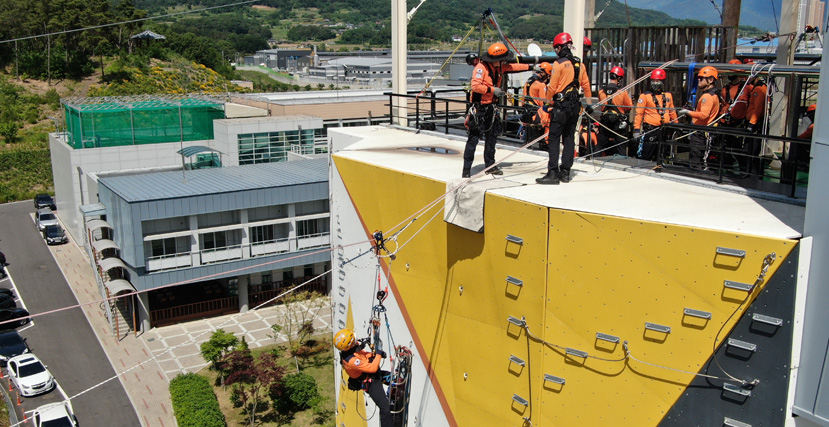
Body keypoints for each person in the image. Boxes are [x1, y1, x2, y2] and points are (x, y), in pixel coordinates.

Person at [462, 42, 530, 178]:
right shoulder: (481, 68)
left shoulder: (499, 68)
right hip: (479, 109)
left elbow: (514, 67)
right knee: (473, 139)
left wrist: (532, 66)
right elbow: (475, 86)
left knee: (491, 139)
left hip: (491, 109)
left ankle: (490, 165)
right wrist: (493, 90)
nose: (504, 62)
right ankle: (466, 169)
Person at [536, 32, 592, 185]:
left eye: (556, 48)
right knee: (568, 138)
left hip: (561, 106)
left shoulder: (559, 64)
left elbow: (552, 87)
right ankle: (565, 172)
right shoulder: (580, 64)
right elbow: (586, 86)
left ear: (560, 47)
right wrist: (589, 104)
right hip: (575, 106)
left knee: (554, 138)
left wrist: (546, 104)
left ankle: (553, 172)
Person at [335, 328, 392, 427]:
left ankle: (395, 392)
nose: (357, 341)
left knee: (394, 378)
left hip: (372, 376)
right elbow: (372, 368)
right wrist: (378, 354)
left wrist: (373, 355)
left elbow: (364, 355)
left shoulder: (351, 351)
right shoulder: (351, 361)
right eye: (354, 340)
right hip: (371, 382)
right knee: (385, 408)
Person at [679, 66, 720, 170]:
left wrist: (688, 112)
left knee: (696, 158)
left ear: (710, 80)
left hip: (701, 132)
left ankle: (696, 176)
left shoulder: (707, 97)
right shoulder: (713, 95)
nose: (699, 80)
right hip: (704, 131)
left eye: (701, 78)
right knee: (701, 158)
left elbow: (703, 115)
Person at [633, 69, 678, 161]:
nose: (655, 83)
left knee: (662, 155)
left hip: (664, 130)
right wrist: (636, 130)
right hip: (650, 130)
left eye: (657, 81)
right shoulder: (645, 96)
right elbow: (639, 114)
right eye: (653, 81)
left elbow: (672, 112)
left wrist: (677, 126)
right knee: (646, 155)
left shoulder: (668, 95)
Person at [595, 66, 633, 156]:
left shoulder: (601, 92)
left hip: (605, 123)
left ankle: (594, 162)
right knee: (621, 146)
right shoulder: (622, 92)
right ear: (619, 78)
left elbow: (601, 104)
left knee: (599, 146)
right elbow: (629, 107)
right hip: (618, 124)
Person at [523, 62, 552, 150]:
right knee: (542, 128)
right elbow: (543, 102)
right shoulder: (541, 84)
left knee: (529, 132)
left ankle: (529, 144)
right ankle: (544, 144)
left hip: (526, 109)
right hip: (536, 111)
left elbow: (524, 96)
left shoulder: (529, 80)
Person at [743, 74, 768, 176]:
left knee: (750, 152)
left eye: (746, 76)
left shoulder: (759, 90)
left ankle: (752, 175)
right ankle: (751, 174)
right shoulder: (757, 88)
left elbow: (757, 109)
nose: (745, 79)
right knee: (750, 152)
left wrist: (751, 124)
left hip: (755, 125)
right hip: (755, 123)